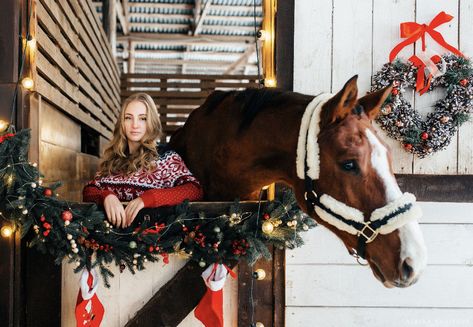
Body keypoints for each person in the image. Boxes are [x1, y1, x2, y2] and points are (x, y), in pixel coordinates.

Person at [83, 93, 203, 228]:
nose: (135, 125)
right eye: (128, 118)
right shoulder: (113, 160)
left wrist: (148, 199)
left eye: (143, 118)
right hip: (110, 241)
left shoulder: (165, 157)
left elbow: (194, 190)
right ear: (122, 123)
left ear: (151, 122)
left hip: (152, 241)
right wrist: (106, 196)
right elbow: (89, 190)